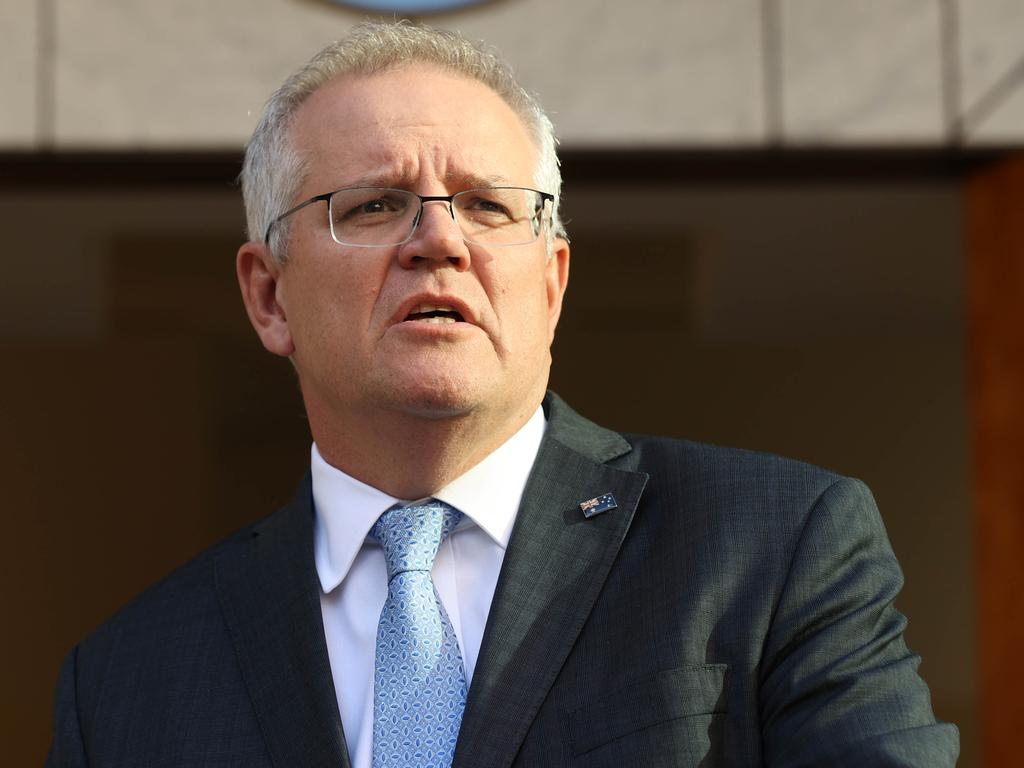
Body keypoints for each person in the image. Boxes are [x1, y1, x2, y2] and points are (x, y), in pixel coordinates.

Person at [47, 21, 958, 768]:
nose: (438, 240)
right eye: (371, 205)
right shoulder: (125, 679)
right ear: (268, 295)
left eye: (487, 205)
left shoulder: (775, 547)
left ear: (553, 282)